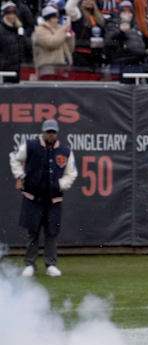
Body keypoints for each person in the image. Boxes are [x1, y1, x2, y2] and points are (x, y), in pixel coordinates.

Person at [9, 119, 78, 278]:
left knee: (52, 232)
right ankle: (30, 264)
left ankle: (51, 264)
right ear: (43, 132)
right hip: (32, 197)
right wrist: (20, 175)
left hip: (53, 199)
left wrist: (60, 185)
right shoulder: (31, 146)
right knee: (33, 232)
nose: (50, 135)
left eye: (53, 132)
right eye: (48, 132)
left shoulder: (65, 151)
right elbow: (14, 157)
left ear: (57, 133)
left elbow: (71, 173)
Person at [104, 0, 146, 82]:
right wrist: (120, 32)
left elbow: (140, 48)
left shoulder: (136, 27)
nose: (127, 15)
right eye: (124, 12)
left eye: (129, 12)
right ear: (119, 14)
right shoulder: (112, 25)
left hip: (135, 64)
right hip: (119, 64)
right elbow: (107, 43)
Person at [32, 5, 75, 80]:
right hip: (47, 68)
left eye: (57, 17)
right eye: (54, 18)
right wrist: (63, 30)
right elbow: (51, 44)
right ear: (48, 18)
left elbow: (70, 49)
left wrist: (70, 36)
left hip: (63, 67)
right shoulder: (40, 30)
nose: (57, 20)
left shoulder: (60, 28)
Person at [66, 0, 106, 71]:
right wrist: (89, 43)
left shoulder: (99, 18)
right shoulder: (78, 14)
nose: (88, 1)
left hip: (96, 56)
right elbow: (69, 7)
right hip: (80, 55)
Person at [0, 2, 32, 83]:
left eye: (14, 14)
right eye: (9, 14)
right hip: (6, 71)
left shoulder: (19, 29)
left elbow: (28, 48)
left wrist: (22, 36)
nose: (12, 16)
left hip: (21, 70)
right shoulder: (1, 30)